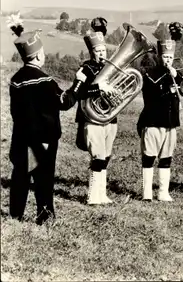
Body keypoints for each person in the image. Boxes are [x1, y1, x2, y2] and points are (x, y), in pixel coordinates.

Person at [7, 15, 86, 225]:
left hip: (20, 138)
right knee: (44, 177)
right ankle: (45, 215)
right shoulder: (45, 81)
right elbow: (65, 101)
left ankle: (15, 215)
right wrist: (78, 83)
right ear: (39, 55)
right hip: (42, 140)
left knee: (20, 176)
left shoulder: (15, 81)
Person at [75, 24, 118, 205]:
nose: (102, 54)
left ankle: (102, 194)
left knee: (106, 156)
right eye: (98, 51)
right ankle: (93, 195)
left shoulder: (111, 68)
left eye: (104, 50)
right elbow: (79, 92)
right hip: (92, 118)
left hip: (110, 118)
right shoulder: (85, 69)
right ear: (92, 52)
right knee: (97, 156)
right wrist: (98, 88)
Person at [136, 36, 183, 202]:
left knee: (166, 158)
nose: (168, 60)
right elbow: (153, 92)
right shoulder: (150, 74)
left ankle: (163, 192)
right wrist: (168, 76)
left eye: (171, 57)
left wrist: (175, 75)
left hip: (170, 123)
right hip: (153, 122)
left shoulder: (177, 75)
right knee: (149, 158)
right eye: (165, 57)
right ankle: (147, 193)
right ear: (159, 57)